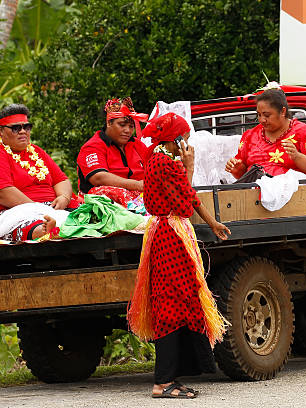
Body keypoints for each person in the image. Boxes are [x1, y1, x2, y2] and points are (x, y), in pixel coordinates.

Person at [127, 113, 230, 399]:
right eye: (184, 138)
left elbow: (188, 196)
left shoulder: (159, 161)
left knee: (181, 300)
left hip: (168, 235)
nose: (186, 143)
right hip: (171, 238)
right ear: (174, 140)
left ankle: (172, 378)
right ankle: (163, 382)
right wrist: (190, 168)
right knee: (173, 304)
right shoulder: (163, 164)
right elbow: (185, 204)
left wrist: (212, 223)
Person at [0, 104, 73, 241]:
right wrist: (40, 211)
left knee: (90, 212)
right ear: (0, 131)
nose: (23, 131)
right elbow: (1, 193)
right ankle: (45, 230)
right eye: (16, 128)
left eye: (26, 127)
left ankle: (55, 226)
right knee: (28, 225)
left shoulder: (35, 151)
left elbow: (61, 180)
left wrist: (64, 197)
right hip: (3, 214)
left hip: (48, 210)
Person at [225, 88, 306, 180]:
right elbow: (243, 175)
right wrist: (236, 169)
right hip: (253, 196)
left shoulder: (305, 132)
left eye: (267, 115)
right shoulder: (250, 136)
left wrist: (297, 157)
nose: (262, 120)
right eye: (259, 115)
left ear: (283, 111)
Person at [76, 97, 148, 206]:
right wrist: (137, 185)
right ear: (109, 123)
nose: (127, 131)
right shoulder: (92, 146)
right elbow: (99, 177)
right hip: (102, 204)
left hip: (139, 197)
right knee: (113, 192)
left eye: (131, 126)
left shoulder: (138, 145)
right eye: (122, 125)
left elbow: (154, 169)